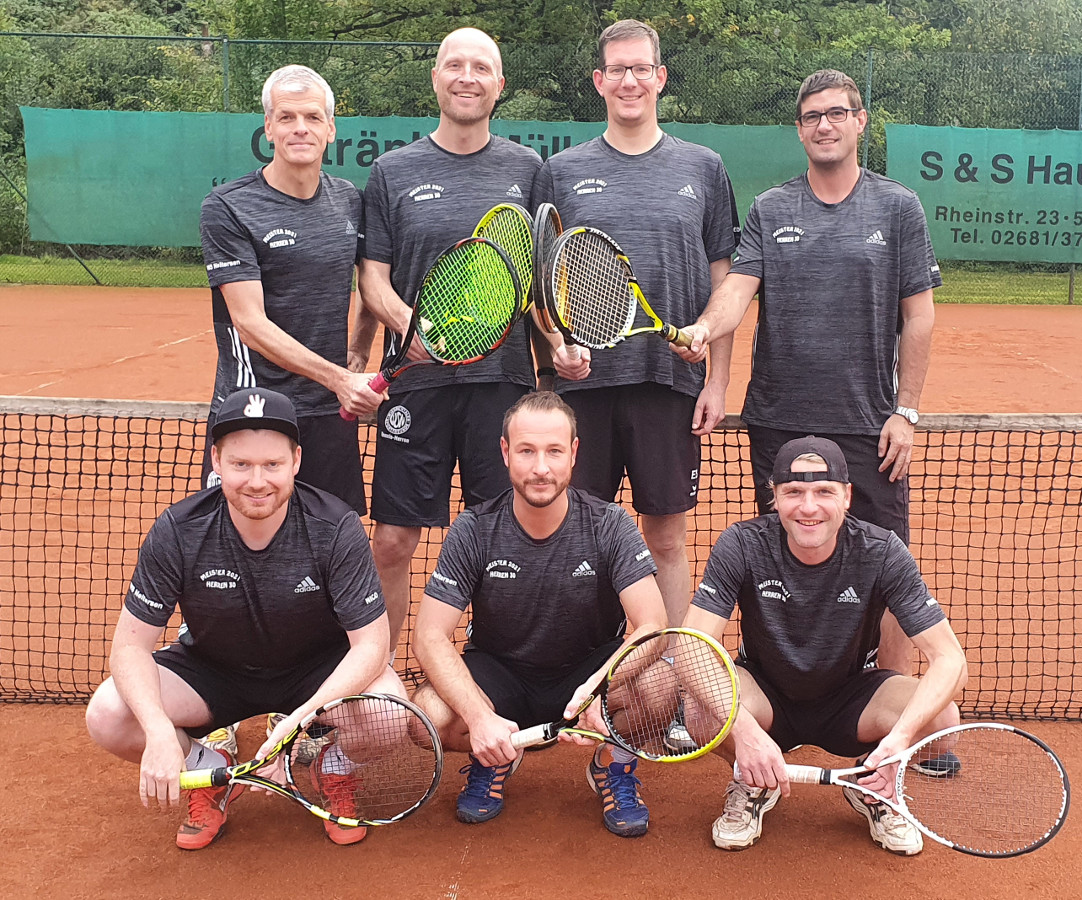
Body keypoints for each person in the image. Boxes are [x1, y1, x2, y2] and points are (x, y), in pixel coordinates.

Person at [677, 69, 941, 678]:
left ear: (859, 122)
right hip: (780, 423)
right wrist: (703, 328)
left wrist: (906, 411)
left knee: (892, 566)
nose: (824, 124)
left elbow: (919, 318)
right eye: (812, 116)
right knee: (776, 561)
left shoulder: (898, 207)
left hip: (869, 426)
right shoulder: (771, 209)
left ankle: (895, 700)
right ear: (800, 131)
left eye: (836, 113)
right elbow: (736, 293)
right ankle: (771, 689)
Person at [85, 388, 405, 850]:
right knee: (109, 715)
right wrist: (159, 732)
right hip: (213, 672)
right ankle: (206, 770)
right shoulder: (178, 530)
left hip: (312, 673)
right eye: (241, 465)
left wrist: (299, 721)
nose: (257, 481)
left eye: (272, 465)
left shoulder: (335, 527)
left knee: (388, 713)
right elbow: (130, 646)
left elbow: (371, 647)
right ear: (216, 460)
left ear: (296, 460)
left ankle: (332, 768)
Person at [197, 63, 382, 763]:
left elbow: (367, 293)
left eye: (312, 118)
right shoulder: (231, 207)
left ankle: (317, 718)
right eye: (286, 118)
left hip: (328, 418)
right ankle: (219, 713)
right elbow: (250, 322)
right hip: (254, 419)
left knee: (332, 556)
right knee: (228, 563)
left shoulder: (350, 201)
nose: (300, 129)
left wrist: (358, 368)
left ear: (331, 129)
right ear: (267, 128)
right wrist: (342, 377)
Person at [530, 19, 739, 632]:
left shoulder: (702, 167)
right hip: (582, 388)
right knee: (579, 535)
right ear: (599, 81)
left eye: (640, 68)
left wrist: (718, 382)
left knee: (666, 535)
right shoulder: (562, 171)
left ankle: (669, 675)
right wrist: (557, 347)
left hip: (669, 383)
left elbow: (724, 277)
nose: (629, 80)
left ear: (660, 78)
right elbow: (540, 283)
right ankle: (583, 672)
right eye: (617, 69)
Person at [681, 436, 966, 854]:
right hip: (767, 695)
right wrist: (745, 733)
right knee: (699, 707)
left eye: (823, 492)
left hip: (851, 699)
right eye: (794, 492)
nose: (809, 507)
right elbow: (692, 647)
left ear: (847, 496)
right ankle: (751, 778)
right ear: (774, 497)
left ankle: (872, 784)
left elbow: (950, 659)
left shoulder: (882, 551)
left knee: (943, 722)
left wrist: (899, 741)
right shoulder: (741, 544)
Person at [359, 28, 543, 656]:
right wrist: (412, 329)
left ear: (499, 84)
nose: (468, 76)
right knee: (392, 541)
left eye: (482, 67)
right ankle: (373, 683)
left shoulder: (528, 170)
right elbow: (373, 278)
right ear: (436, 78)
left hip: (505, 384)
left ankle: (494, 675)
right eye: (455, 65)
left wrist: (562, 342)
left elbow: (540, 282)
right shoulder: (392, 171)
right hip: (418, 385)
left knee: (503, 537)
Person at [412, 392, 668, 837]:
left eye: (553, 451)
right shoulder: (474, 529)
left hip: (587, 674)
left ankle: (612, 765)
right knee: (427, 715)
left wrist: (597, 687)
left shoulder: (609, 523)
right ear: (506, 452)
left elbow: (652, 627)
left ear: (573, 453)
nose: (541, 468)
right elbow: (430, 636)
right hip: (500, 676)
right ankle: (493, 755)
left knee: (662, 684)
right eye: (527, 451)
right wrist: (478, 718)